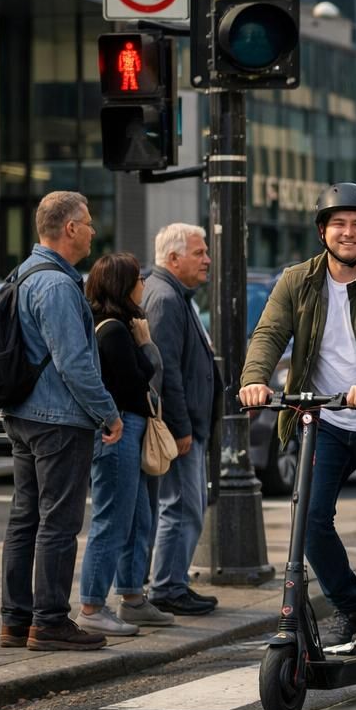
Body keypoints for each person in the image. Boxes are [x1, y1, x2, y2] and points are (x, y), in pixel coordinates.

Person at [239, 183, 356, 656]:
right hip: (323, 420)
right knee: (309, 520)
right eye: (339, 224)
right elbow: (268, 333)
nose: (348, 233)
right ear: (323, 231)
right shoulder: (297, 280)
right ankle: (348, 609)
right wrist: (255, 378)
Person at [0, 192, 122, 652]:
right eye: (88, 223)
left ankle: (15, 620)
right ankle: (49, 621)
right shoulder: (56, 285)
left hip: (23, 413)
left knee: (24, 518)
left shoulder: (24, 273)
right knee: (58, 522)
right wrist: (107, 413)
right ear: (69, 229)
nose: (93, 230)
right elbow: (74, 362)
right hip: (57, 420)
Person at [77, 252, 173, 635]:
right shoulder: (114, 329)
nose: (144, 284)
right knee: (113, 520)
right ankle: (91, 606)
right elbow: (138, 379)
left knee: (137, 518)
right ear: (123, 285)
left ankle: (132, 597)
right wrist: (147, 345)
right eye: (138, 278)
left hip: (127, 428)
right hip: (118, 430)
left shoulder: (113, 325)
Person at [143, 224, 218, 616]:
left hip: (190, 426)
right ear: (173, 259)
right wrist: (181, 426)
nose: (207, 259)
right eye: (199, 253)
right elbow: (165, 368)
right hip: (180, 429)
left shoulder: (176, 294)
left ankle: (172, 582)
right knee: (182, 507)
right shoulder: (166, 298)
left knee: (186, 505)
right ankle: (168, 587)